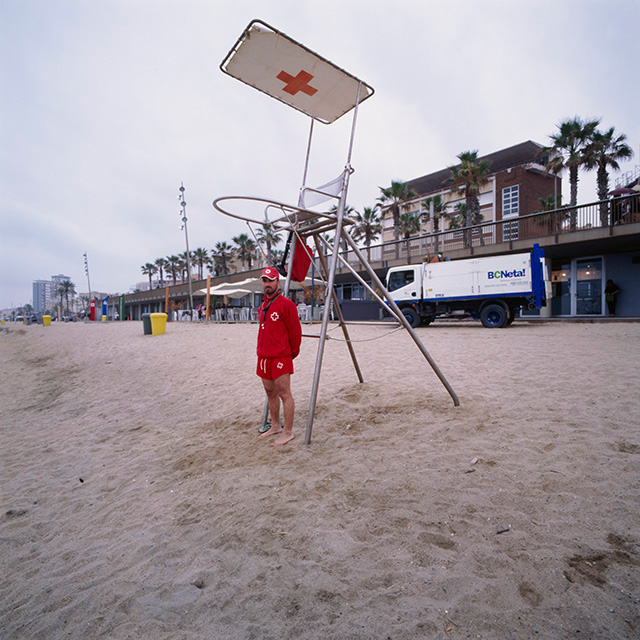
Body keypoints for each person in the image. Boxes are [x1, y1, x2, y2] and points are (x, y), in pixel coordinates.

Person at [256, 266, 302, 446]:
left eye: (270, 280)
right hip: (264, 357)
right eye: (264, 281)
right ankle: (275, 426)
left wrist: (291, 354)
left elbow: (296, 333)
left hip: (280, 357)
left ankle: (288, 432)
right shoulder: (262, 305)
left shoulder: (286, 305)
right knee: (270, 392)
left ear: (277, 282)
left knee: (284, 393)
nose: (267, 284)